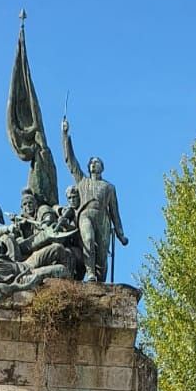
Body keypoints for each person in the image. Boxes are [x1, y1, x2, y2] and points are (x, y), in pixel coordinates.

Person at [61, 116, 127, 281]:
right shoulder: (82, 181)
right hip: (85, 215)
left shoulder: (109, 187)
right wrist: (65, 136)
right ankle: (90, 273)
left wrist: (120, 234)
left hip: (103, 218)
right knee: (88, 240)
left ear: (102, 167)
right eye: (91, 162)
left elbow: (115, 213)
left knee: (102, 253)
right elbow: (70, 161)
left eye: (96, 162)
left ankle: (99, 277)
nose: (93, 164)